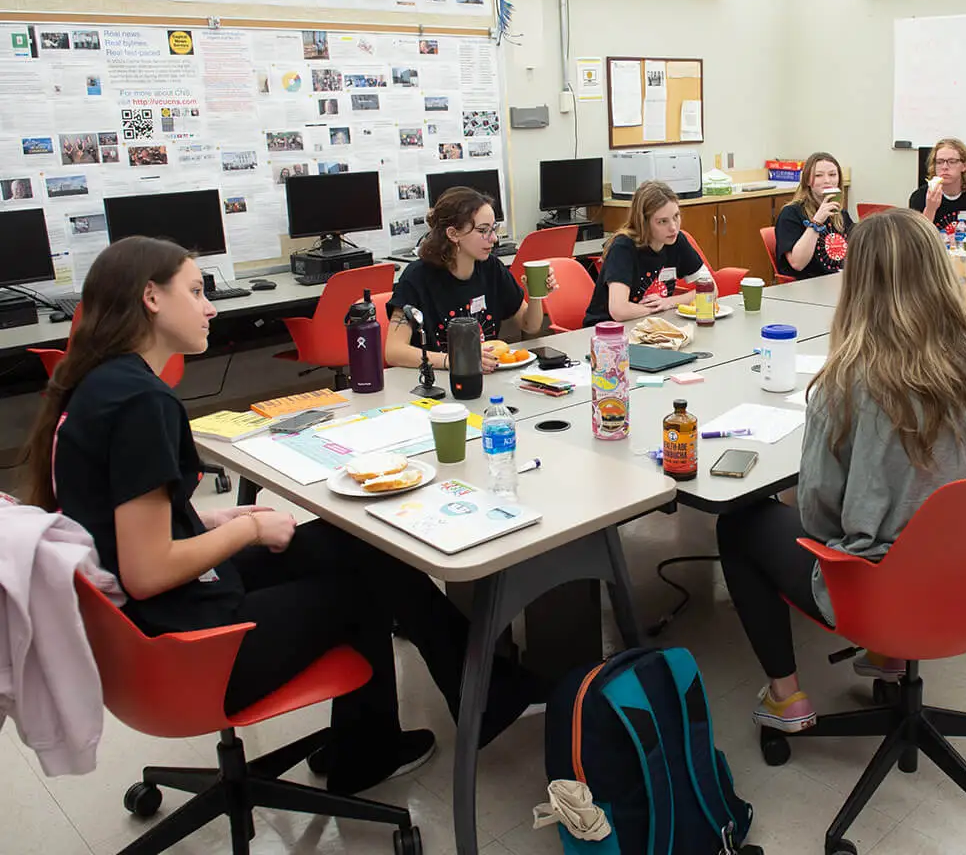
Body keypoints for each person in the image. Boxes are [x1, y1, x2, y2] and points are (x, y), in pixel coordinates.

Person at [21, 237, 540, 797]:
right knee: (362, 587)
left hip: (148, 618)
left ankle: (478, 694)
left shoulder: (99, 386)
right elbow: (148, 570)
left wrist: (208, 524)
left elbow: (119, 528)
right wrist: (247, 528)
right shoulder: (141, 403)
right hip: (187, 641)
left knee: (359, 542)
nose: (211, 307)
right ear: (150, 297)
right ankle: (376, 748)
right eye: (196, 292)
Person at [717, 210, 966, 732]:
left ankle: (785, 698)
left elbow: (819, 521)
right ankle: (886, 656)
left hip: (886, 590)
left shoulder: (847, 382)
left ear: (855, 284)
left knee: (739, 521)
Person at [386, 186, 556, 372]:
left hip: (486, 376)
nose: (493, 239)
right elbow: (394, 352)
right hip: (438, 380)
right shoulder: (417, 277)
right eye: (483, 230)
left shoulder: (491, 267)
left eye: (493, 229)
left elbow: (529, 326)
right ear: (453, 234)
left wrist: (535, 294)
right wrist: (454, 360)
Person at [582, 180, 716, 326]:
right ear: (643, 223)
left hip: (649, 325)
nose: (673, 228)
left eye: (676, 216)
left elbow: (712, 289)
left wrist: (669, 302)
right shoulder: (623, 247)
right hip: (607, 332)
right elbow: (619, 311)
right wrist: (657, 308)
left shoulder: (676, 240)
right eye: (662, 221)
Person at [772, 152, 852, 279]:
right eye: (818, 175)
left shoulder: (841, 214)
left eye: (832, 175)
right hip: (807, 285)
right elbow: (797, 263)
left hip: (839, 282)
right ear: (808, 180)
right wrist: (817, 222)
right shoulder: (791, 214)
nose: (827, 180)